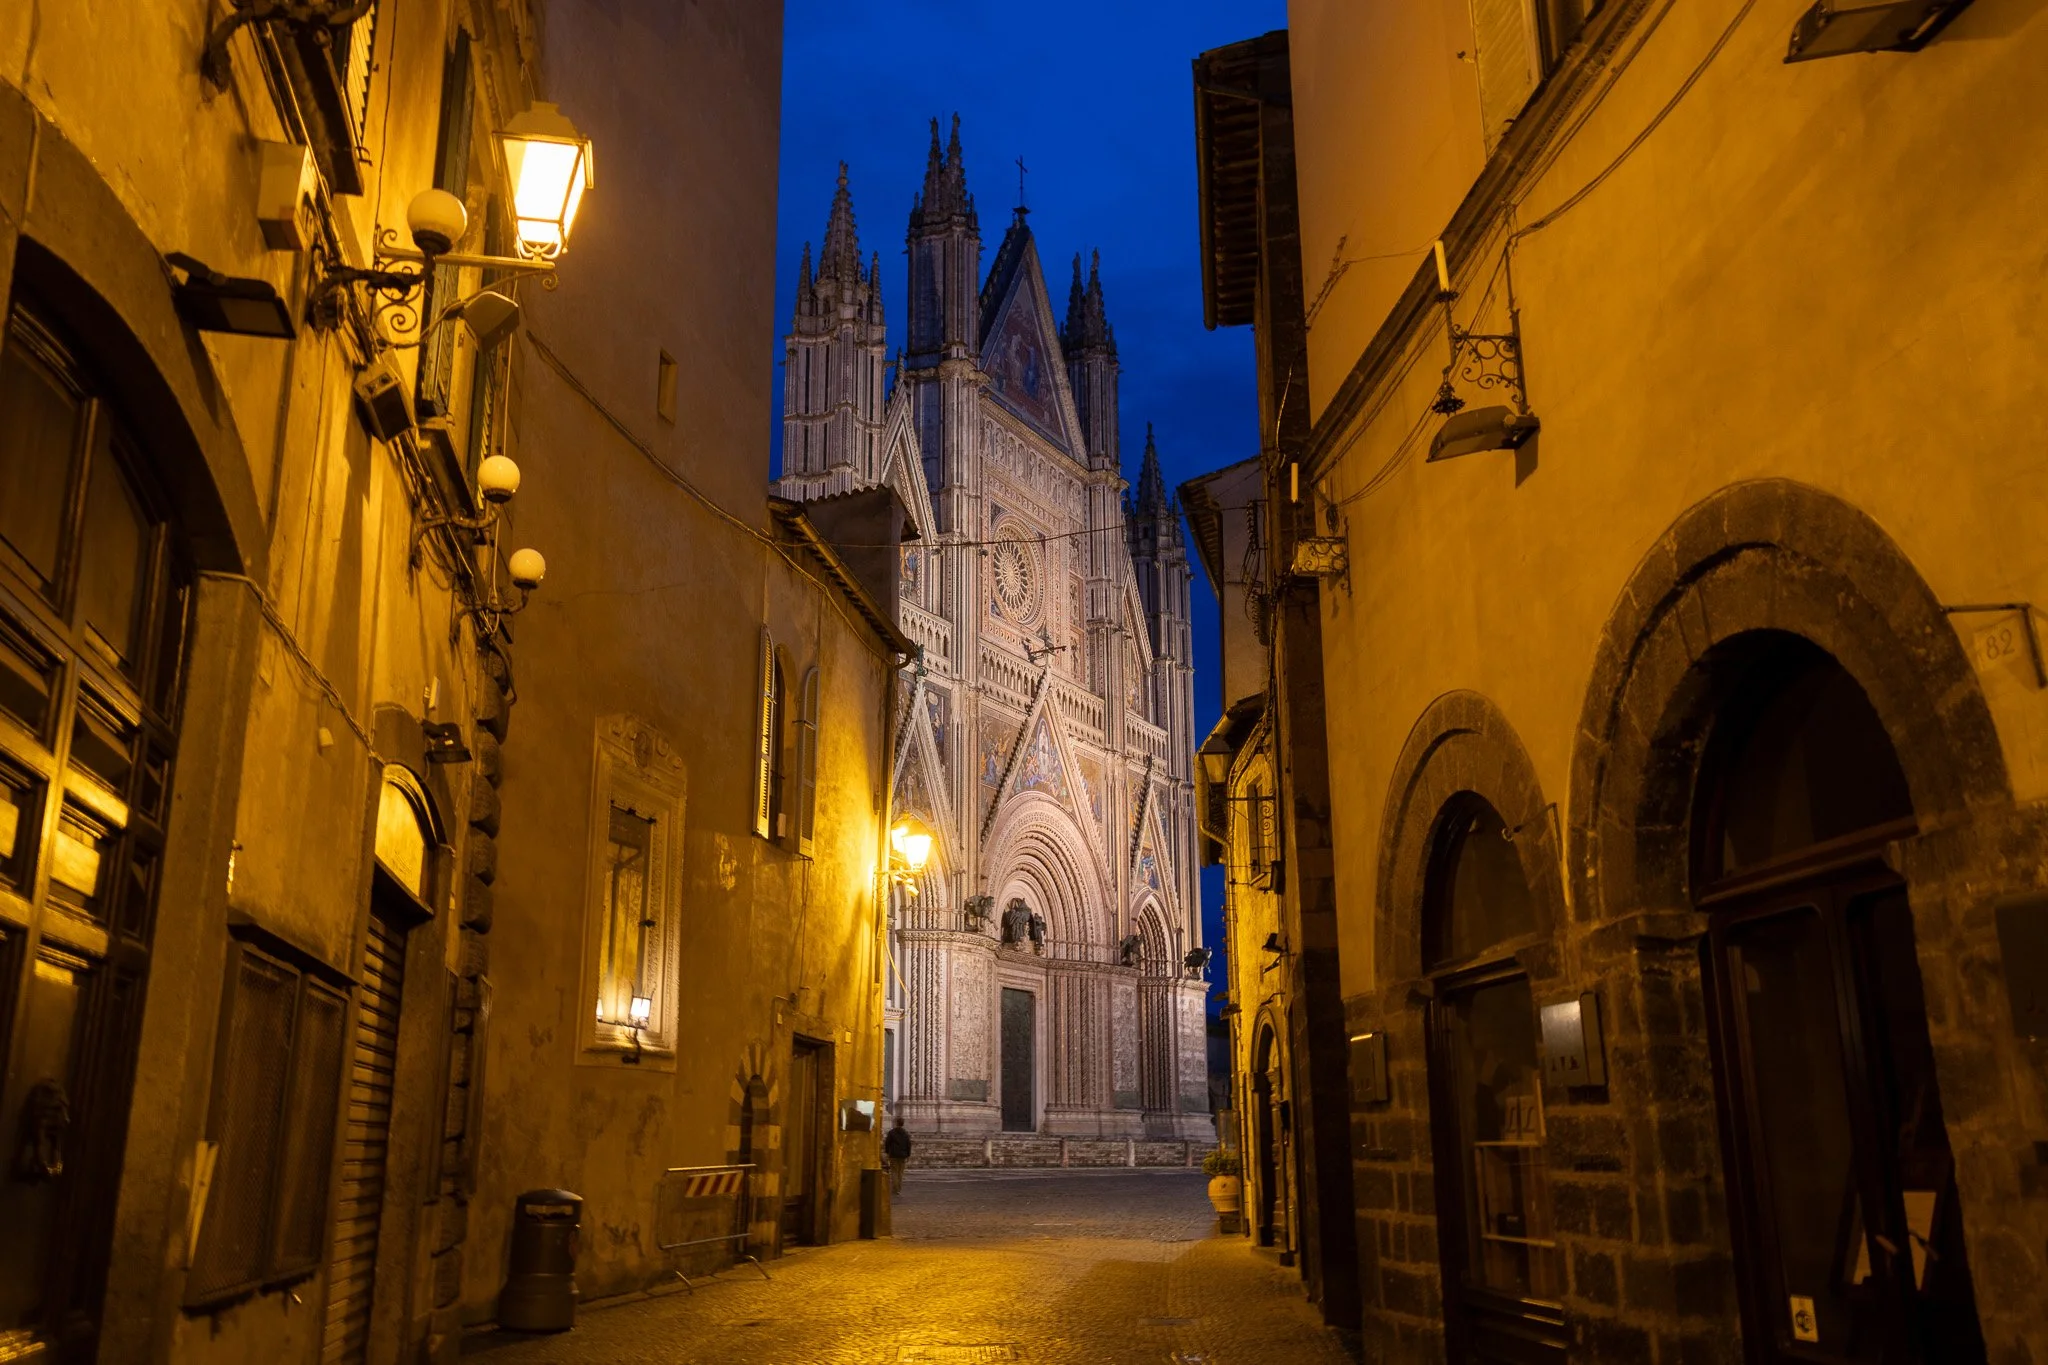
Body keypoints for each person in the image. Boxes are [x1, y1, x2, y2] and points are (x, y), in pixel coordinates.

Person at [883, 1115, 912, 1194]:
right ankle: (898, 1188)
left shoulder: (891, 1132)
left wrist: (887, 1152)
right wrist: (908, 1154)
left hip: (894, 1155)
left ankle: (895, 1189)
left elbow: (887, 1143)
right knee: (900, 1173)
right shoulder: (905, 1133)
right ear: (903, 1124)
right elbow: (908, 1144)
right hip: (903, 1155)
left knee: (894, 1172)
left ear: (896, 1123)